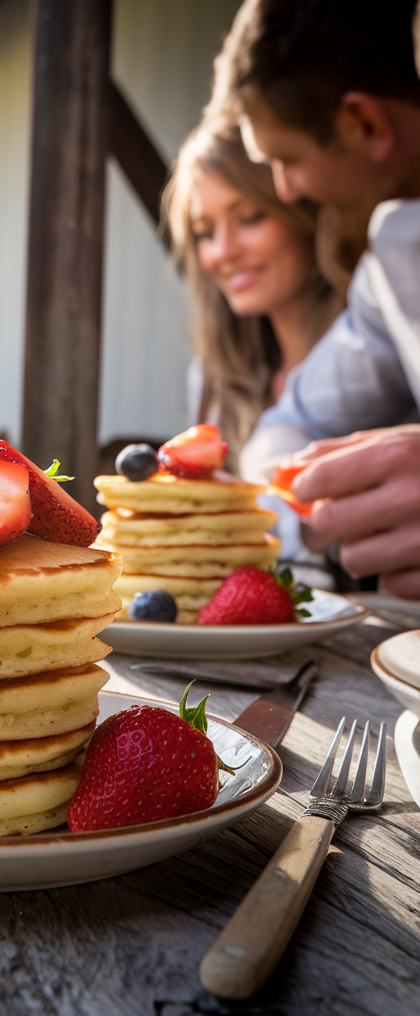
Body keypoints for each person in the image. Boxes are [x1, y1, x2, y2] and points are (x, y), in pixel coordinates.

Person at [210, 0, 420, 598]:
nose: (287, 190)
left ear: (365, 125)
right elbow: (293, 423)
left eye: (286, 160)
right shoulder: (387, 277)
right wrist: (308, 488)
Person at [165, 117, 344, 472]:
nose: (222, 252)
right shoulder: (212, 381)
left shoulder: (387, 363)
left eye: (250, 217)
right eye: (205, 232)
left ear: (305, 211)